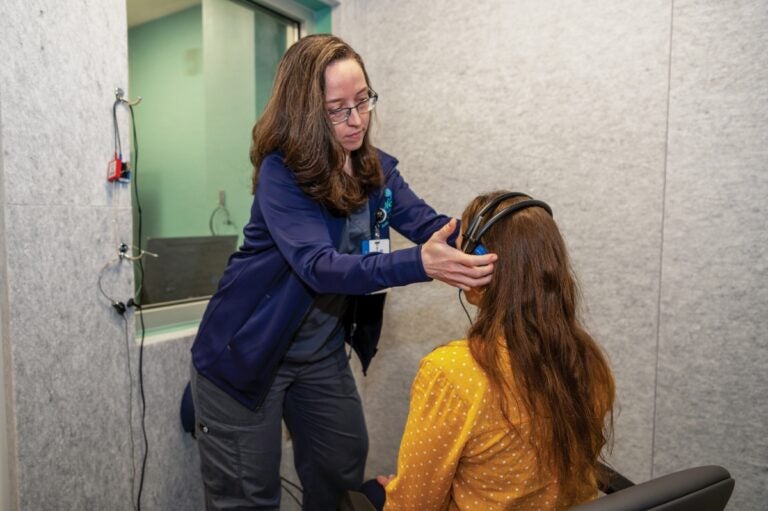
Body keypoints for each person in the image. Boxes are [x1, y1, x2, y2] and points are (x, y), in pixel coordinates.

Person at [189, 34, 497, 511]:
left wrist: (491, 246)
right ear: (306, 112)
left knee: (340, 474)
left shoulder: (376, 172)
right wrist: (421, 263)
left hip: (320, 356)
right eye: (337, 110)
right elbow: (320, 267)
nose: (356, 121)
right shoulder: (282, 175)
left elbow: (430, 226)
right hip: (245, 357)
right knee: (247, 499)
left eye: (362, 101)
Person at [370, 191, 616, 510]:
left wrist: (397, 491)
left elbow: (415, 505)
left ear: (479, 262)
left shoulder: (452, 372)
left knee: (370, 491)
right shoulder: (586, 358)